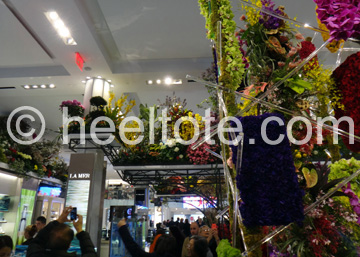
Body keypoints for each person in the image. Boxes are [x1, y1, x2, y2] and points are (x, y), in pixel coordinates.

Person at [27, 206, 97, 257]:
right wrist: (80, 231)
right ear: (69, 245)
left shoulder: (34, 254)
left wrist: (58, 220)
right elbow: (90, 252)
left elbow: (36, 241)